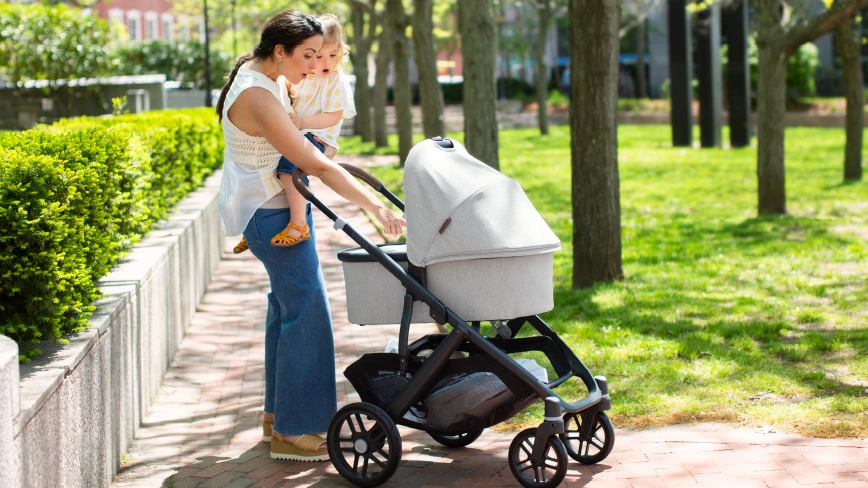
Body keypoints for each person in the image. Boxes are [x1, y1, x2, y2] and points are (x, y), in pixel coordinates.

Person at [215, 10, 404, 462]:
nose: (314, 66)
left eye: (321, 54)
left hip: (267, 209)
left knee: (286, 309)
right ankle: (296, 430)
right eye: (307, 56)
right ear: (280, 51)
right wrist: (373, 204)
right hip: (271, 215)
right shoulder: (259, 94)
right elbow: (316, 163)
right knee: (308, 314)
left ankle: (276, 416)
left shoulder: (258, 73)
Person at [232, 14, 355, 254]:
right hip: (298, 131)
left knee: (289, 170)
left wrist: (302, 122)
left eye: (332, 55)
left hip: (318, 136)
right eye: (317, 56)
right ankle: (255, 229)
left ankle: (298, 223)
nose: (324, 62)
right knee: (266, 168)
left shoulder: (334, 81)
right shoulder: (304, 75)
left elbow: (333, 115)